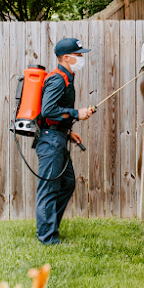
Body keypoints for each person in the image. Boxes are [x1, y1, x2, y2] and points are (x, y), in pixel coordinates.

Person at [35, 38, 93, 245]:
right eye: (78, 55)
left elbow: (51, 114)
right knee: (49, 188)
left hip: (58, 137)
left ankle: (49, 227)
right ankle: (47, 238)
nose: (81, 58)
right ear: (66, 57)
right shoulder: (58, 79)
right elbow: (47, 110)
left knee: (67, 183)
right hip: (51, 142)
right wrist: (77, 112)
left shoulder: (67, 77)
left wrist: (68, 133)